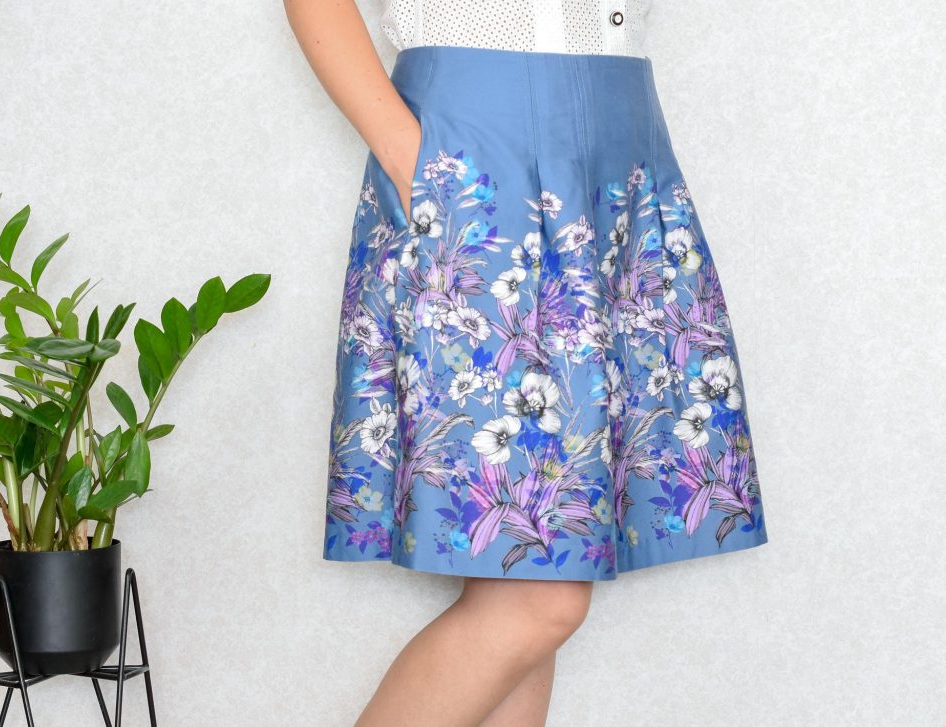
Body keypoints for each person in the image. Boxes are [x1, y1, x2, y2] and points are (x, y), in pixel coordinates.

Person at [285, 2, 769, 724]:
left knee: (532, 568)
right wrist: (404, 154)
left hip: (620, 155)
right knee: (542, 598)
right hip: (475, 147)